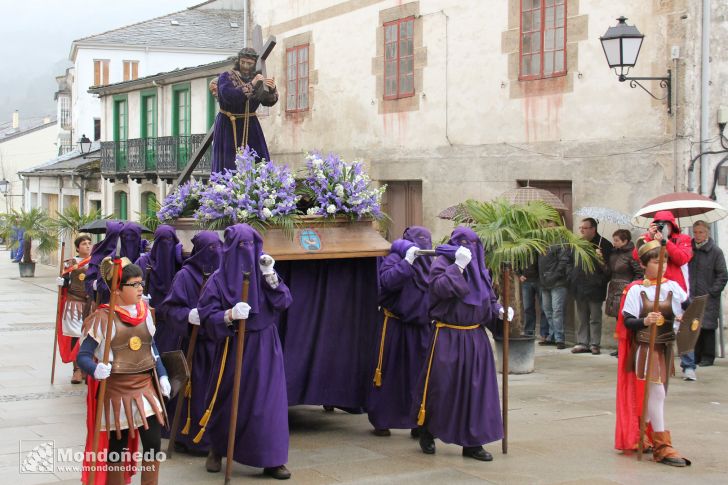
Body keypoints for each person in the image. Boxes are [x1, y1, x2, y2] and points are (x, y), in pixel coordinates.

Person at [197, 224, 292, 480]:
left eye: (251, 245)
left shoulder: (264, 273)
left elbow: (284, 301)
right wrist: (228, 315)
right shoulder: (218, 279)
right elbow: (206, 315)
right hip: (233, 344)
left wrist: (271, 275)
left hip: (264, 345)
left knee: (268, 403)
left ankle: (272, 458)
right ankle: (217, 448)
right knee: (227, 399)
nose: (247, 252)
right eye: (241, 246)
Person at [415, 226, 509, 462]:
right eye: (464, 242)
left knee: (476, 391)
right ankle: (427, 430)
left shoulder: (481, 268)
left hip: (475, 338)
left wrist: (498, 311)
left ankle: (473, 443)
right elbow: (437, 290)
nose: (470, 248)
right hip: (448, 335)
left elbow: (488, 298)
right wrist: (457, 267)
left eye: (474, 243)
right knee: (442, 388)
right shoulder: (442, 261)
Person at [77, 257, 171, 484]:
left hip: (146, 388)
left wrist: (163, 374)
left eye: (141, 283)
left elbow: (152, 348)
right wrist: (95, 368)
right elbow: (83, 356)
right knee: (117, 449)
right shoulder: (103, 317)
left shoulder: (145, 311)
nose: (140, 289)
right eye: (134, 284)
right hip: (116, 392)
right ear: (117, 289)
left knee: (153, 444)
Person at [615, 239, 690, 467]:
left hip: (666, 346)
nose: (663, 266)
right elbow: (628, 321)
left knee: (658, 392)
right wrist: (645, 320)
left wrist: (682, 318)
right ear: (645, 264)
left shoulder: (673, 287)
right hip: (647, 348)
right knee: (656, 393)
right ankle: (662, 445)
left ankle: (641, 435)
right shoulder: (636, 289)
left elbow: (688, 308)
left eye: (665, 261)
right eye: (657, 261)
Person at [157, 231, 222, 456]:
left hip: (220, 342)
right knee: (195, 389)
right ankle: (190, 436)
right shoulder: (185, 275)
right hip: (196, 342)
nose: (215, 254)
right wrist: (188, 315)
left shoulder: (224, 274)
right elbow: (169, 308)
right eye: (210, 249)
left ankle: (217, 440)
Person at [367, 227, 434, 438]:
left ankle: (418, 421)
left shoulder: (432, 263)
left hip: (421, 327)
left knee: (420, 376)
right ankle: (383, 420)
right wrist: (407, 262)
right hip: (395, 326)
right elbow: (386, 282)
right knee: (389, 374)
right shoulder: (395, 257)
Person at [211, 47, 279, 173]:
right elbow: (229, 96)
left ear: (255, 64)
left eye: (249, 63)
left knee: (258, 163)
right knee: (229, 165)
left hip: (251, 125)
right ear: (238, 61)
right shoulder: (226, 77)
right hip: (229, 126)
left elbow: (268, 102)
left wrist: (272, 89)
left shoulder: (259, 79)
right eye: (243, 62)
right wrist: (252, 85)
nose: (245, 66)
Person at [685, 221, 727, 369]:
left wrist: (713, 292)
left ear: (707, 233)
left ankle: (708, 356)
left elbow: (722, 275)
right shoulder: (690, 250)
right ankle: (695, 355)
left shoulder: (715, 251)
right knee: (694, 326)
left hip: (708, 295)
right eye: (695, 232)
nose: (697, 235)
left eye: (701, 232)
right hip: (692, 294)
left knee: (707, 326)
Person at [135, 225, 184, 354]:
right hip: (147, 320)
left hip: (172, 323)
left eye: (169, 241)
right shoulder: (143, 262)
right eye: (161, 241)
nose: (165, 245)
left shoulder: (179, 263)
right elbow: (130, 284)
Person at [570, 218, 613, 355]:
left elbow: (609, 270)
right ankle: (583, 342)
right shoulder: (578, 244)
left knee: (594, 317)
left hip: (595, 287)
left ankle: (595, 344)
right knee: (582, 317)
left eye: (585, 227)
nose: (581, 230)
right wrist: (571, 277)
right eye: (580, 227)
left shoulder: (604, 245)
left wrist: (600, 261)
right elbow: (569, 261)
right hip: (579, 286)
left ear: (593, 229)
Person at [56, 234, 94, 384]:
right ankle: (77, 369)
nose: (87, 246)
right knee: (75, 336)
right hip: (74, 304)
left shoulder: (96, 262)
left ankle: (87, 367)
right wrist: (61, 282)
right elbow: (65, 283)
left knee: (90, 336)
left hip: (90, 304)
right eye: (84, 244)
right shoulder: (70, 263)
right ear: (78, 247)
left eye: (89, 243)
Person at [538, 223, 571, 349]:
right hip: (544, 282)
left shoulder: (562, 242)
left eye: (551, 226)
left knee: (557, 311)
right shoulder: (542, 242)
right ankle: (552, 335)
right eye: (546, 226)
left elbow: (563, 262)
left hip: (557, 282)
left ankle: (559, 338)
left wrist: (553, 277)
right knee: (547, 310)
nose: (548, 229)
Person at [518, 257, 548, 338]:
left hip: (539, 280)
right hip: (526, 281)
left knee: (544, 308)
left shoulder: (539, 247)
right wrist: (519, 274)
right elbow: (515, 260)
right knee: (527, 308)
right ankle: (529, 333)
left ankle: (544, 334)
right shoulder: (521, 247)